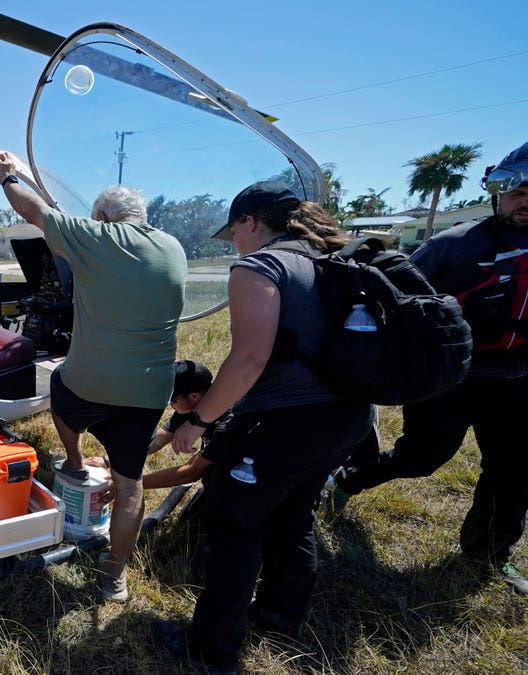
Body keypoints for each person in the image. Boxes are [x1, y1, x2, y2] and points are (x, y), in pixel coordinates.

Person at [154, 181, 373, 673]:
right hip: (347, 419)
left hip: (285, 425)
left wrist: (199, 420)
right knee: (294, 515)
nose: (235, 242)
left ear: (250, 222)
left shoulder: (261, 265)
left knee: (234, 528)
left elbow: (250, 357)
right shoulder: (331, 260)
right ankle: (279, 614)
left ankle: (211, 651)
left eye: (234, 231)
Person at [331, 141, 528, 595]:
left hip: (519, 381)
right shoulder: (453, 245)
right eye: (513, 190)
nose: (523, 201)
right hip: (452, 375)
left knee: (515, 470)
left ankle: (489, 552)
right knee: (423, 458)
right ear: (496, 192)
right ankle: (350, 479)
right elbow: (391, 300)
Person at [0, 151, 186, 602]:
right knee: (130, 481)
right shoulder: (173, 246)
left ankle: (74, 461)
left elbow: (32, 209)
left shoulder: (98, 236)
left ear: (102, 217)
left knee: (59, 387)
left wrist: (8, 176)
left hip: (90, 384)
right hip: (150, 390)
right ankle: (115, 574)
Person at [84, 359, 222, 490]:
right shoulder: (195, 405)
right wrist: (109, 460)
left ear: (194, 396)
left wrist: (130, 486)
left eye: (172, 400)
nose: (169, 406)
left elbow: (191, 472)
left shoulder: (226, 426)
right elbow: (159, 439)